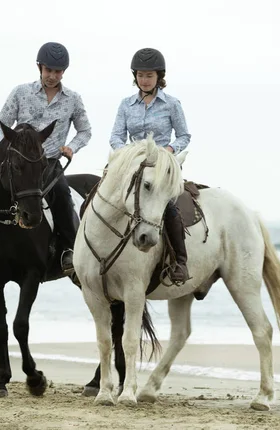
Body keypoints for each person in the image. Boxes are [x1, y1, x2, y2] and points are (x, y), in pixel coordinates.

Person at [0, 42, 92, 281]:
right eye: (48, 70)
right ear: (39, 67)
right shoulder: (20, 92)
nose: (52, 76)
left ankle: (70, 252)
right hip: (16, 166)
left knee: (63, 197)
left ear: (64, 72)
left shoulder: (73, 99)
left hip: (48, 164)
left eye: (57, 71)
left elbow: (85, 131)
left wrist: (71, 147)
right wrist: (5, 153)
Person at [109, 47, 191, 283]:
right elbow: (115, 136)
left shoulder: (172, 104)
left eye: (150, 76)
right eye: (141, 75)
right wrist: (127, 154)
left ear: (159, 77)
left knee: (168, 207)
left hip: (162, 167)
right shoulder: (126, 105)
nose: (144, 80)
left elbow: (184, 136)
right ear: (135, 76)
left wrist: (169, 150)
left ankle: (180, 262)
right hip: (132, 165)